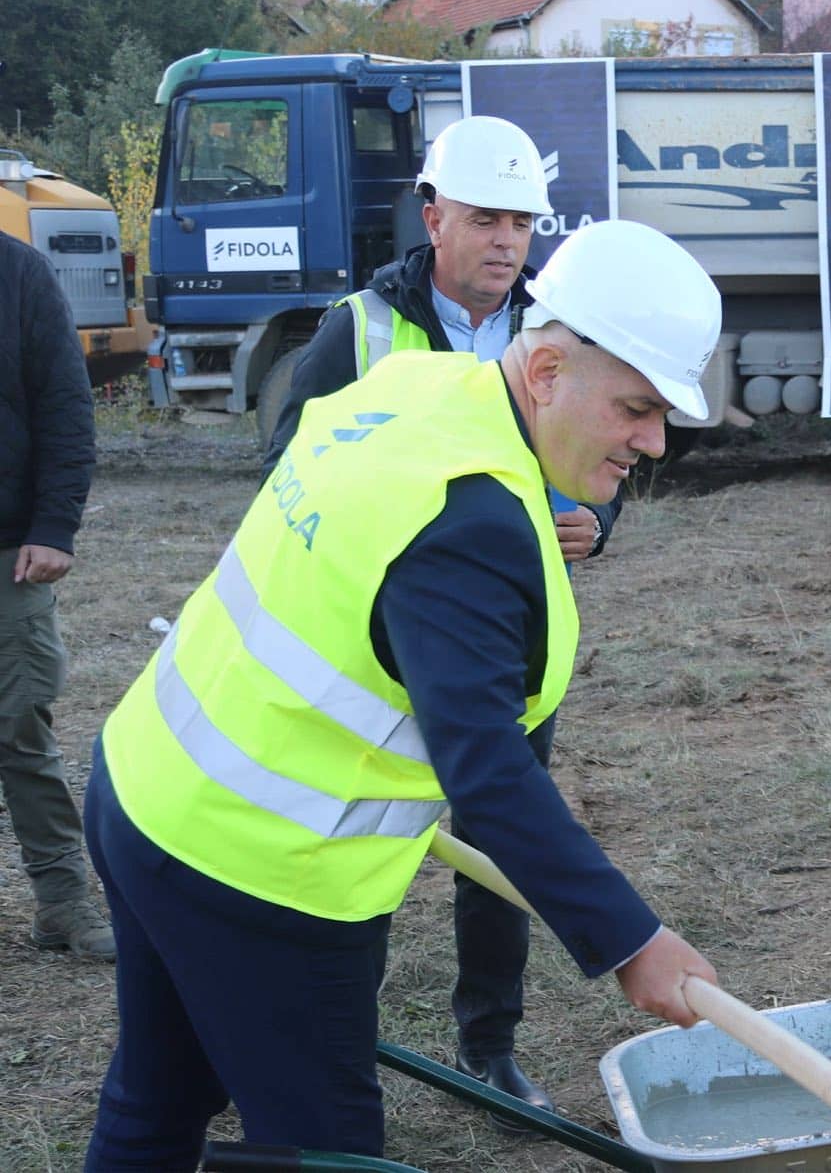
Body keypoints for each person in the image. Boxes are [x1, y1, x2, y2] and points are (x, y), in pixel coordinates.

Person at [83, 219, 726, 1170]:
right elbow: (486, 767)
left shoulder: (421, 385)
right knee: (326, 1149)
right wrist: (632, 941)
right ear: (546, 373)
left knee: (158, 1098)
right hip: (256, 871)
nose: (655, 442)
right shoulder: (467, 522)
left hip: (147, 785)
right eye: (636, 408)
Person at [262, 114, 621, 1118]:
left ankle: (489, 1048)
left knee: (498, 835)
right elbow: (288, 472)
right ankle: (331, 1030)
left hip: (505, 639)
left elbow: (600, 453)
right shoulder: (360, 329)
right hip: (375, 651)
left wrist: (598, 515)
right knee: (358, 834)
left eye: (521, 221)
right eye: (484, 219)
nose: (507, 241)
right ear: (433, 217)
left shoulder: (551, 335)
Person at [1, 233, 113, 961]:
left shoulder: (19, 274)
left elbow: (66, 408)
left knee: (20, 726)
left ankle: (64, 901)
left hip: (10, 554)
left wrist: (52, 528)